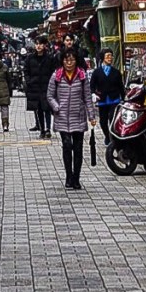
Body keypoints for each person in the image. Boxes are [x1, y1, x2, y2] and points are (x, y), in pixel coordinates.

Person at [46, 47, 96, 190]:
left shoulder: (82, 76)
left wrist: (91, 116)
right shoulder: (56, 75)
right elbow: (50, 95)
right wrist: (56, 107)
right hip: (62, 117)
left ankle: (76, 178)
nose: (69, 63)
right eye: (66, 60)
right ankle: (69, 176)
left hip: (78, 116)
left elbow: (87, 97)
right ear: (62, 61)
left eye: (72, 60)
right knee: (67, 146)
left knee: (78, 148)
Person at [90, 49, 125, 146]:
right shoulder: (97, 72)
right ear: (103, 58)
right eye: (108, 56)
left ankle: (114, 138)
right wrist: (93, 94)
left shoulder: (116, 72)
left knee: (112, 118)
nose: (110, 58)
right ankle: (107, 136)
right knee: (103, 121)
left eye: (111, 56)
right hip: (102, 100)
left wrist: (124, 99)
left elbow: (121, 87)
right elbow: (92, 85)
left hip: (114, 99)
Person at [24, 35, 55, 138]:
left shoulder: (50, 58)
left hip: (47, 86)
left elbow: (54, 71)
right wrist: (29, 81)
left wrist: (52, 83)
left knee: (47, 108)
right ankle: (42, 129)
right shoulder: (30, 58)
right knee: (39, 109)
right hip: (35, 87)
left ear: (45, 45)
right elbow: (26, 70)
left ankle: (48, 129)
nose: (38, 46)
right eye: (37, 44)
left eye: (40, 44)